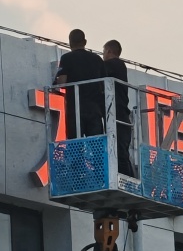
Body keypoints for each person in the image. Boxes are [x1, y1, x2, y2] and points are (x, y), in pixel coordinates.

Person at [54, 29, 106, 138]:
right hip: (94, 109)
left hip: (75, 109)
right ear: (85, 42)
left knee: (75, 143)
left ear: (70, 43)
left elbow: (61, 82)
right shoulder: (97, 59)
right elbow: (105, 84)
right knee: (96, 144)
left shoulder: (66, 58)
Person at [103, 39, 134, 176]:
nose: (103, 55)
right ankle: (126, 177)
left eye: (104, 52)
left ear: (109, 51)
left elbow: (97, 71)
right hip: (121, 114)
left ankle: (127, 179)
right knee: (121, 152)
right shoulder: (120, 66)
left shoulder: (113, 64)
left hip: (118, 114)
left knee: (120, 152)